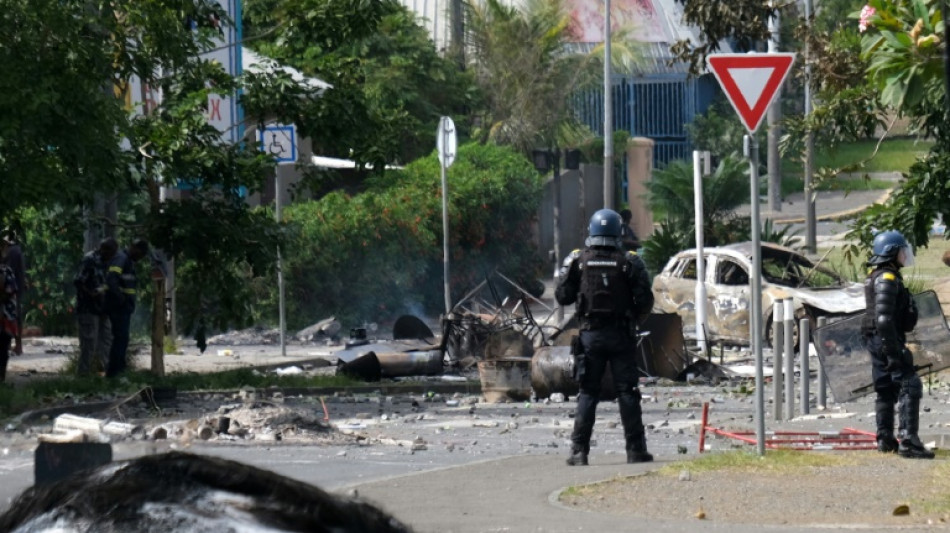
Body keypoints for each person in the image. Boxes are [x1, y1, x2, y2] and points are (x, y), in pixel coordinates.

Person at [555, 209, 655, 466]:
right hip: (621, 335)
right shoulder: (630, 261)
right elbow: (646, 300)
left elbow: (562, 296)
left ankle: (579, 452)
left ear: (591, 231)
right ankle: (635, 451)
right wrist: (634, 318)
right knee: (627, 392)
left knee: (588, 392)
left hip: (590, 336)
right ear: (618, 231)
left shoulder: (578, 261)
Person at [862, 230, 934, 459]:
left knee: (885, 389)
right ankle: (908, 442)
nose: (905, 255)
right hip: (886, 339)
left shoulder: (877, 275)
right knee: (909, 384)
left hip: (876, 339)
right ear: (891, 252)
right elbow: (884, 319)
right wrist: (894, 352)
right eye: (902, 251)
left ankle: (885, 439)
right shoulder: (887, 279)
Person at [105, 238, 149, 378]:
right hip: (118, 307)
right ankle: (114, 372)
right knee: (120, 338)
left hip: (123, 307)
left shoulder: (128, 261)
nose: (140, 258)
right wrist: (122, 299)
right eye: (140, 254)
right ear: (134, 248)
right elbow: (111, 280)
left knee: (122, 339)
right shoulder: (121, 258)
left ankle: (120, 370)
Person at [74, 239, 117, 376]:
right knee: (89, 344)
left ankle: (110, 374)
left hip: (103, 309)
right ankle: (83, 375)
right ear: (104, 249)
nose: (111, 256)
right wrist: (91, 294)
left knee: (107, 341)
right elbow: (79, 281)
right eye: (110, 253)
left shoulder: (110, 262)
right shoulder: (90, 259)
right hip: (88, 309)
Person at [1, 227, 27, 356]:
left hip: (10, 289)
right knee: (15, 315)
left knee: (11, 316)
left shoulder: (11, 251)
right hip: (17, 287)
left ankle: (16, 345)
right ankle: (17, 345)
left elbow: (7, 272)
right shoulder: (18, 250)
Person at [0, 259, 17, 382]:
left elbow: (10, 292)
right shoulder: (6, 270)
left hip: (5, 317)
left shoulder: (6, 271)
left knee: (3, 349)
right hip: (6, 317)